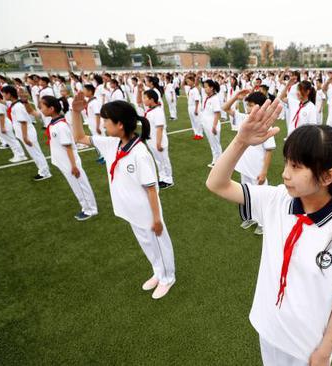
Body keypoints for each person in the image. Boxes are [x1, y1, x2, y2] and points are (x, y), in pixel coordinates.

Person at [206, 99, 332, 366]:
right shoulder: (277, 200)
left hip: (306, 346)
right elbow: (217, 183)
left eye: (296, 166)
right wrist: (241, 141)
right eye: (286, 163)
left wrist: (324, 350)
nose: (284, 174)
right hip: (267, 328)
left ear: (327, 177)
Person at [70, 93, 176, 299]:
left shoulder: (140, 153)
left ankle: (168, 277)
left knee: (158, 244)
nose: (103, 125)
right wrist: (75, 112)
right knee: (146, 244)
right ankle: (158, 272)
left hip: (146, 211)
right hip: (130, 209)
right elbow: (80, 137)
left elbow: (152, 189)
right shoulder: (112, 144)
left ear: (119, 124)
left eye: (106, 121)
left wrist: (156, 218)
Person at [222, 89, 275, 235]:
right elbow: (225, 108)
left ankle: (264, 223)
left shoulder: (265, 125)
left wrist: (264, 171)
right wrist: (235, 98)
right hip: (244, 166)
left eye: (251, 105)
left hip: (257, 168)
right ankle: (250, 218)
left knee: (261, 196)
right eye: (248, 105)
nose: (248, 108)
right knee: (246, 194)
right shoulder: (242, 118)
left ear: (260, 106)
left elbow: (269, 150)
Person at [39, 95, 98, 220]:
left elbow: (68, 146)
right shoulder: (54, 123)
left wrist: (74, 166)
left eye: (42, 106)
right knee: (76, 186)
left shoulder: (61, 126)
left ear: (51, 109)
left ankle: (90, 209)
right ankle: (85, 207)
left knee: (80, 185)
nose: (41, 109)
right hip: (64, 161)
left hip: (69, 163)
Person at [1, 85, 51, 181]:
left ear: (9, 94)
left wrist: (25, 137)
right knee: (34, 153)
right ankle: (43, 170)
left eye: (4, 94)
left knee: (36, 153)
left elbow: (23, 122)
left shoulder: (18, 106)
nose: (3, 96)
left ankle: (45, 172)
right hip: (24, 133)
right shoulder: (15, 104)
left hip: (27, 133)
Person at [200, 79, 222, 168]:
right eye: (204, 87)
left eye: (206, 87)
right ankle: (215, 160)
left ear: (211, 88)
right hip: (206, 123)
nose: (204, 89)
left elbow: (217, 113)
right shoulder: (207, 97)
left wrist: (214, 126)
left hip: (212, 124)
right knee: (212, 144)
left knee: (216, 144)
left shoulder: (215, 98)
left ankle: (220, 162)